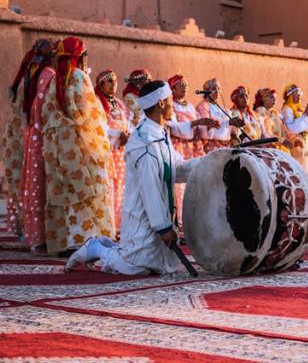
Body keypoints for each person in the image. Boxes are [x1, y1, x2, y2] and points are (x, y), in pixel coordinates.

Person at [66, 81, 201, 275]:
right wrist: (162, 227)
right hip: (145, 217)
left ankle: (110, 248)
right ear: (161, 103)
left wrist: (211, 162)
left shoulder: (160, 133)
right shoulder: (145, 141)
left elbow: (176, 169)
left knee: (162, 267)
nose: (174, 105)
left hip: (158, 216)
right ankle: (96, 249)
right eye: (171, 100)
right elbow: (150, 187)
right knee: (136, 267)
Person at [41, 37, 115, 254]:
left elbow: (46, 114)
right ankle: (91, 241)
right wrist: (101, 143)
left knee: (62, 190)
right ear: (81, 57)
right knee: (89, 187)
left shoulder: (54, 81)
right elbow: (89, 113)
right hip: (78, 142)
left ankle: (65, 242)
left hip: (55, 145)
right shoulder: (79, 77)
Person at [1, 39, 56, 251]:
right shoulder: (40, 79)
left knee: (27, 185)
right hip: (27, 138)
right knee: (33, 186)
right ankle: (34, 237)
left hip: (22, 137)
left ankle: (30, 235)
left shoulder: (28, 80)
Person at [166, 74, 217, 226]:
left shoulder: (189, 106)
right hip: (178, 146)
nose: (185, 87)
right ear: (172, 88)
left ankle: (193, 218)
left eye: (186, 84)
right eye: (180, 84)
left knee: (193, 180)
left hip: (192, 146)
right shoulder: (171, 106)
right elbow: (175, 128)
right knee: (179, 183)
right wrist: (198, 122)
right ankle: (179, 220)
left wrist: (205, 125)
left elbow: (199, 129)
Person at [94, 69, 130, 231]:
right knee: (108, 187)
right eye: (110, 81)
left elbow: (127, 123)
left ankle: (117, 225)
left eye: (115, 81)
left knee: (120, 187)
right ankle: (107, 226)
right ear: (101, 84)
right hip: (106, 151)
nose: (113, 84)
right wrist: (118, 135)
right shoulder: (97, 102)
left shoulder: (119, 103)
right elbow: (99, 127)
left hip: (120, 151)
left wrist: (126, 134)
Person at [281, 84, 308, 179]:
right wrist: (305, 115)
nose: (299, 95)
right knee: (298, 177)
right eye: (296, 93)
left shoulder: (300, 109)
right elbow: (291, 129)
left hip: (306, 148)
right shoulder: (287, 110)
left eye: (300, 93)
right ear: (290, 95)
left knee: (307, 176)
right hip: (295, 150)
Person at [195, 78, 241, 153]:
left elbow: (232, 131)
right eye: (213, 88)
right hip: (212, 148)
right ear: (206, 91)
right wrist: (228, 122)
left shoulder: (224, 109)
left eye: (219, 88)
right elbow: (206, 128)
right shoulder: (202, 106)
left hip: (227, 147)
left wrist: (236, 125)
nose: (217, 91)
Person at [254, 88, 291, 152]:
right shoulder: (260, 111)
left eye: (275, 98)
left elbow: (283, 132)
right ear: (263, 99)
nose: (275, 100)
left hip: (279, 147)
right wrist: (281, 140)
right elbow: (265, 133)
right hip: (268, 149)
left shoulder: (275, 113)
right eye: (271, 97)